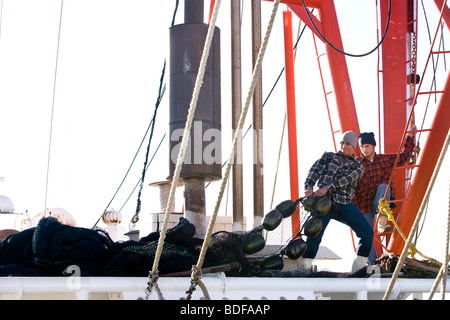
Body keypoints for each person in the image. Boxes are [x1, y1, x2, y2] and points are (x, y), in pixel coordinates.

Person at [299, 131, 374, 273]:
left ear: (353, 147)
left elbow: (346, 181)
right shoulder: (328, 156)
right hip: (323, 204)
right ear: (340, 144)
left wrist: (327, 188)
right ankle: (304, 268)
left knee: (367, 232)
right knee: (314, 235)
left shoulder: (358, 166)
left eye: (349, 144)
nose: (345, 146)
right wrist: (308, 187)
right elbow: (314, 171)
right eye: (343, 143)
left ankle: (359, 266)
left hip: (344, 203)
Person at [353, 127, 416, 264]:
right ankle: (373, 264)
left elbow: (404, 156)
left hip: (379, 201)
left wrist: (410, 137)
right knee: (365, 235)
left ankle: (382, 218)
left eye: (367, 146)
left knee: (383, 187)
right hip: (363, 205)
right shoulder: (356, 164)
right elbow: (351, 187)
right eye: (362, 147)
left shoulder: (384, 159)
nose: (365, 150)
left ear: (373, 146)